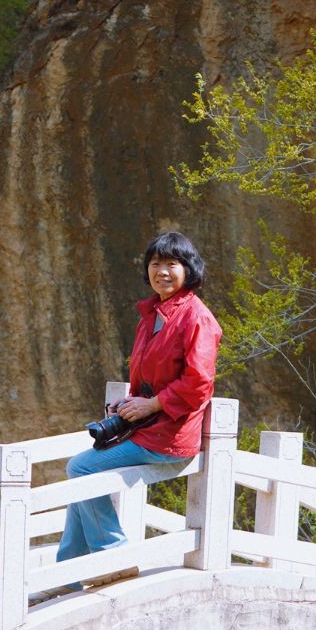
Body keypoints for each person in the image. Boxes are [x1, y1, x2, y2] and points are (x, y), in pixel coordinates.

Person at [56, 231, 222, 584]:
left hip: (170, 436)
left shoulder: (196, 317)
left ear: (188, 269)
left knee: (82, 468)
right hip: (150, 427)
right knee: (82, 479)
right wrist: (130, 400)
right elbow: (151, 375)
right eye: (155, 264)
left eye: (171, 264)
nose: (162, 271)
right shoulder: (152, 315)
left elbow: (199, 383)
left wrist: (152, 405)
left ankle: (114, 555)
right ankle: (67, 574)